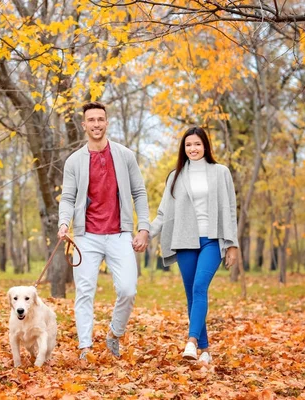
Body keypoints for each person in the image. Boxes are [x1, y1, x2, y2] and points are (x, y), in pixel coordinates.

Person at [58, 101, 150, 360]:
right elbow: (67, 198)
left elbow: (139, 193)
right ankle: (85, 347)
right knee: (84, 292)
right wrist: (64, 223)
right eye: (91, 120)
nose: (96, 124)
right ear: (84, 124)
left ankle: (114, 333)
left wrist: (143, 228)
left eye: (101, 119)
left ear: (107, 122)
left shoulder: (125, 155)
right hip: (86, 236)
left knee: (128, 289)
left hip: (120, 233)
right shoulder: (75, 161)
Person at [149, 126, 239, 364]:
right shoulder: (175, 176)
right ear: (184, 148)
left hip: (212, 239)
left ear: (205, 146)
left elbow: (230, 209)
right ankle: (206, 350)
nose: (193, 148)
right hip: (185, 241)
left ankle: (191, 342)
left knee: (200, 287)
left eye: (197, 144)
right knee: (192, 295)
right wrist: (145, 233)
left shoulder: (220, 172)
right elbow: (163, 213)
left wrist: (232, 244)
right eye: (188, 145)